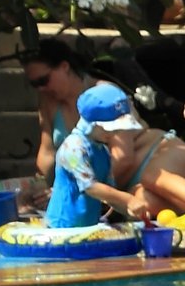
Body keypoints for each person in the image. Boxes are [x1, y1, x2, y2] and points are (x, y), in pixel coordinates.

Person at [43, 83, 147, 227]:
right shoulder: (73, 147)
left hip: (88, 226)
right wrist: (128, 199)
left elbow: (108, 194)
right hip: (62, 226)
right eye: (111, 128)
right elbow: (91, 187)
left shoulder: (102, 150)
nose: (115, 134)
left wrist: (130, 210)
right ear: (92, 123)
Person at [22, 36, 91, 181]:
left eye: (43, 80)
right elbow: (47, 152)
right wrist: (42, 184)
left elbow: (120, 156)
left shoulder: (101, 94)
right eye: (35, 84)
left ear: (64, 67)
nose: (41, 89)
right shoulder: (48, 102)